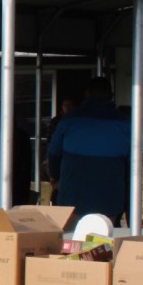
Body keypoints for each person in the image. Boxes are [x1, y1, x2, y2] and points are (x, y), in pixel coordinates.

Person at [48, 76, 131, 226]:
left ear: (87, 94)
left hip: (72, 195)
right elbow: (133, 165)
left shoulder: (69, 120)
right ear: (111, 96)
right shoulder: (125, 123)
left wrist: (55, 177)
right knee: (105, 244)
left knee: (71, 242)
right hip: (110, 197)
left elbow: (53, 153)